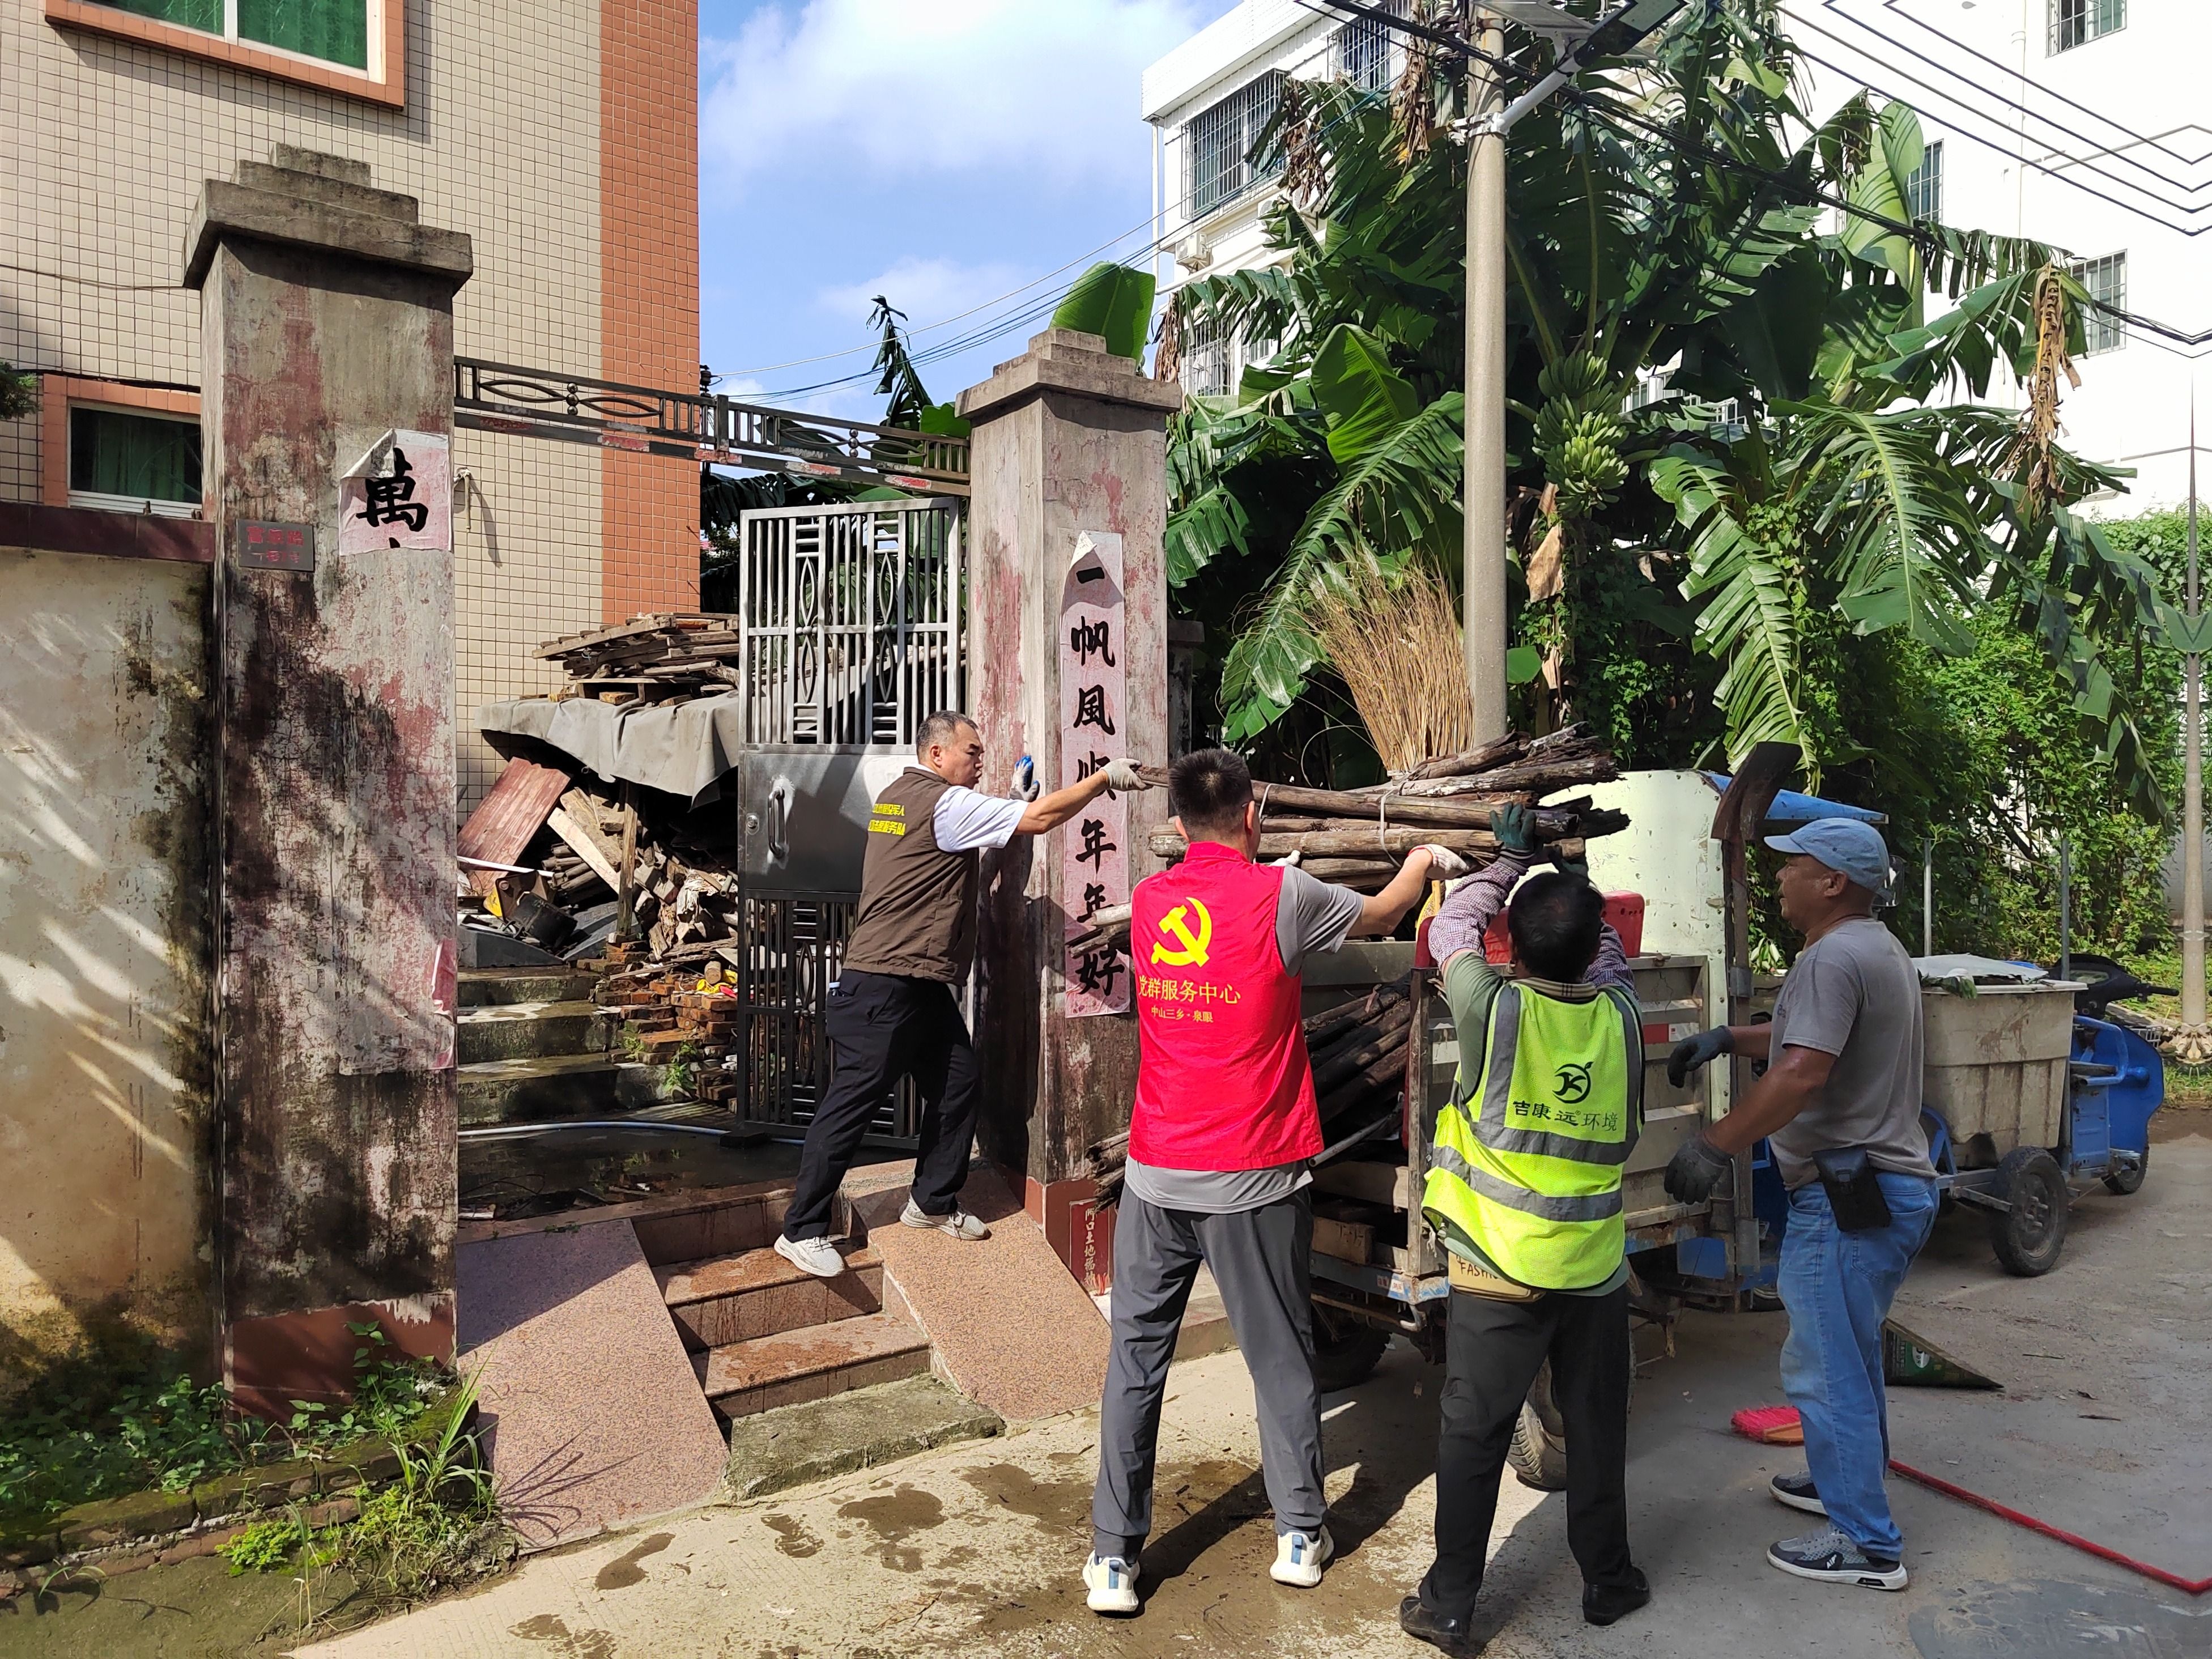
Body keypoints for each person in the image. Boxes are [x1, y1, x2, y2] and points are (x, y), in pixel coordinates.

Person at [1083, 748, 1447, 1617]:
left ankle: (1112, 1560)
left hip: (1156, 1175)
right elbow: (1387, 913)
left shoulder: (1148, 901)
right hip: (1252, 1176)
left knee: (1135, 1363)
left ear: (1178, 826)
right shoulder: (1284, 896)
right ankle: (1299, 1535)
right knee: (1281, 1355)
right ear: (1252, 816)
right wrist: (1424, 861)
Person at [775, 711, 1154, 1279]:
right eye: (972, 752)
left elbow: (960, 845)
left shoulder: (899, 797)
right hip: (885, 982)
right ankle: (802, 1229)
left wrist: (1005, 802)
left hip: (916, 982)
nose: (979, 762)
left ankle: (931, 1201)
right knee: (850, 1107)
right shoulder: (945, 803)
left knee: (958, 1082)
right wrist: (1102, 779)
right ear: (937, 754)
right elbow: (1040, 819)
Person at [1398, 806, 1651, 1656]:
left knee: (1473, 1435)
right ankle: (1608, 1582)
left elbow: (1451, 929)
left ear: (1513, 943)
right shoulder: (1621, 1015)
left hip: (1496, 1265)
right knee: (1598, 1426)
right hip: (1592, 1267)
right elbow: (1607, 949)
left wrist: (1507, 861)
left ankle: (1451, 1606)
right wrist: (1569, 875)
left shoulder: (1492, 1010)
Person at [1664, 818, 1937, 1591]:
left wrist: (1715, 1144)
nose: (1780, 876)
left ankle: (1867, 1546)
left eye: (1794, 865)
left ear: (1833, 882)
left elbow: (1802, 1073)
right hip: (1886, 1187)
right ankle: (1838, 1481)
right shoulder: (1873, 947)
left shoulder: (1832, 958)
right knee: (1849, 1351)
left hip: (1847, 1195)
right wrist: (1729, 1038)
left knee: (1824, 1367)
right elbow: (1803, 1043)